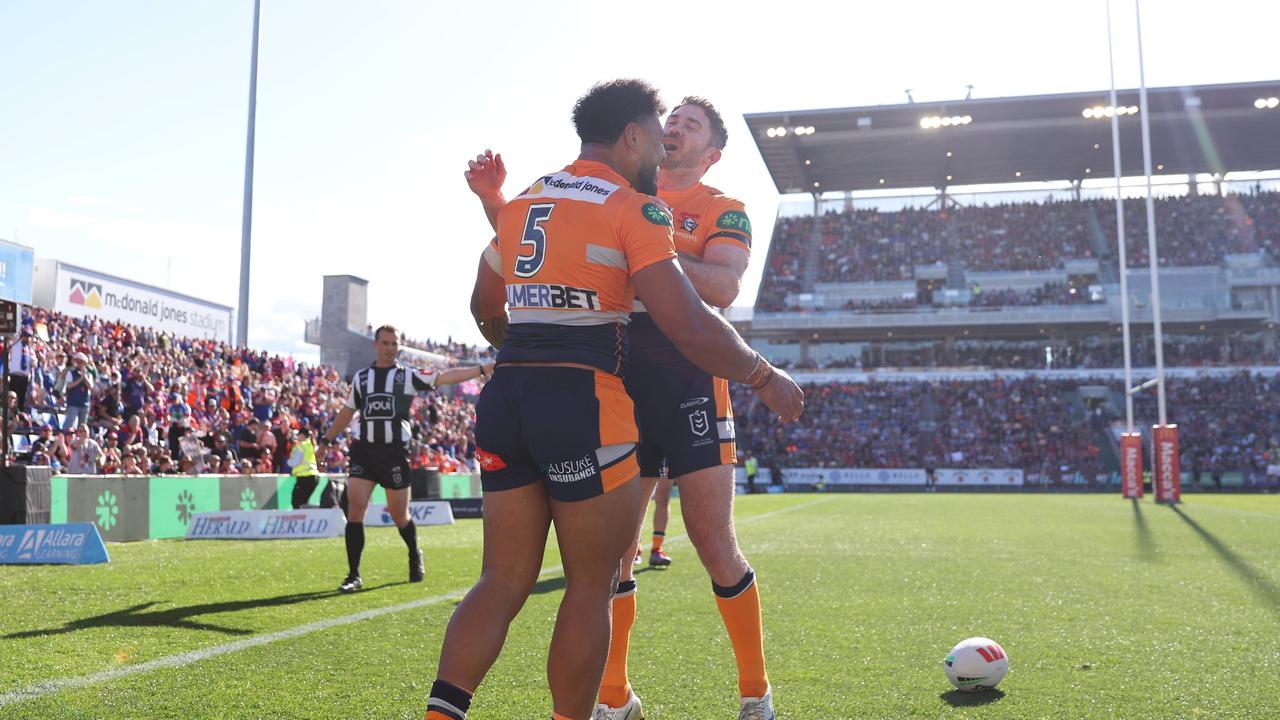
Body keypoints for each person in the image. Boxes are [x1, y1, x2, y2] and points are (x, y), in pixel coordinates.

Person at [426, 79, 802, 720]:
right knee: (601, 573)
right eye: (666, 122)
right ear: (637, 136)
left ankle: (754, 691)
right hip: (605, 390)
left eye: (687, 125)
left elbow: (723, 288)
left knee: (708, 543)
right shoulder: (632, 205)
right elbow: (688, 316)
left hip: (669, 386)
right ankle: (610, 699)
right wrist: (763, 375)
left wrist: (526, 329)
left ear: (710, 153)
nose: (672, 130)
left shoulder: (708, 205)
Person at [319, 325, 492, 593]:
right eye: (385, 343)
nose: (390, 348)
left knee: (400, 515)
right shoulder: (362, 379)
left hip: (394, 453)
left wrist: (481, 369)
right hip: (364, 449)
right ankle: (353, 574)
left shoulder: (406, 376)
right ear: (375, 345)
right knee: (355, 509)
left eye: (394, 343)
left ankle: (414, 553)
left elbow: (445, 377)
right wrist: (326, 441)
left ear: (399, 346)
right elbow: (346, 411)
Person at [289, 427, 320, 509]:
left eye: (298, 435)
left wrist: (288, 462)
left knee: (296, 503)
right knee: (303, 502)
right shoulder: (312, 445)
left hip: (305, 477)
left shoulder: (301, 446)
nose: (297, 437)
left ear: (302, 435)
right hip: (314, 477)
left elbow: (294, 462)